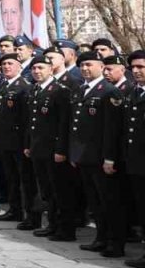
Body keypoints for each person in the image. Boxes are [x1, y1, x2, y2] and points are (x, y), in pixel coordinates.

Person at [72, 52, 126, 258]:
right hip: (85, 156)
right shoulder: (81, 90)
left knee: (110, 202)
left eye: (89, 64)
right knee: (95, 202)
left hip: (101, 158)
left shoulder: (109, 92)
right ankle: (101, 238)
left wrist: (109, 158)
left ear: (101, 66)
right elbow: (76, 127)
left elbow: (112, 130)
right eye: (82, 65)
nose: (84, 68)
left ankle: (115, 242)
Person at [24, 53, 75, 241]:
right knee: (46, 190)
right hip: (39, 148)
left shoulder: (59, 91)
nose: (37, 72)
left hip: (54, 150)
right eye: (34, 68)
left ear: (50, 69)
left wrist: (61, 150)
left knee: (60, 191)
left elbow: (64, 124)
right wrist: (28, 144)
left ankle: (66, 229)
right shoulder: (35, 90)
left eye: (41, 68)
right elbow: (32, 122)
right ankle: (53, 224)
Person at [0, 52, 33, 226]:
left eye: (11, 63)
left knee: (24, 179)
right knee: (11, 178)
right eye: (4, 64)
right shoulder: (3, 85)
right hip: (4, 140)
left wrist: (25, 143)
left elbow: (26, 119)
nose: (7, 67)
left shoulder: (23, 87)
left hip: (18, 142)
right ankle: (14, 209)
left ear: (19, 66)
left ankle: (28, 213)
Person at [120, 51, 145, 268]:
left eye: (141, 67)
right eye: (133, 67)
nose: (136, 71)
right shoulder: (133, 92)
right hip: (136, 162)